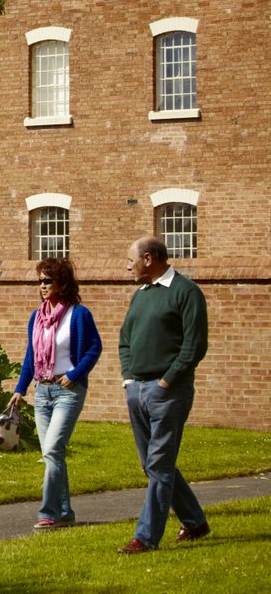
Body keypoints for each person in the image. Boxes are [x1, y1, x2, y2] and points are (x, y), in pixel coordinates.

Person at [116, 236, 210, 555]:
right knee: (154, 465)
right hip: (137, 390)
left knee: (158, 463)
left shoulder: (186, 292)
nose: (127, 266)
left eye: (131, 259)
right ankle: (195, 521)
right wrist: (129, 379)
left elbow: (194, 346)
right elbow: (125, 338)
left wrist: (167, 382)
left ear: (148, 258)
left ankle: (145, 537)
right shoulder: (140, 295)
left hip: (169, 391)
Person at [9, 257, 102, 530]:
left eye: (47, 281)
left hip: (67, 392)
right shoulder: (37, 317)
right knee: (53, 454)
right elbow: (31, 355)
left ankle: (48, 512)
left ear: (62, 283)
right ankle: (64, 512)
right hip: (42, 391)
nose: (42, 286)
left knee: (51, 450)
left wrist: (74, 375)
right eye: (40, 281)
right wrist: (20, 388)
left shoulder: (79, 314)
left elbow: (94, 349)